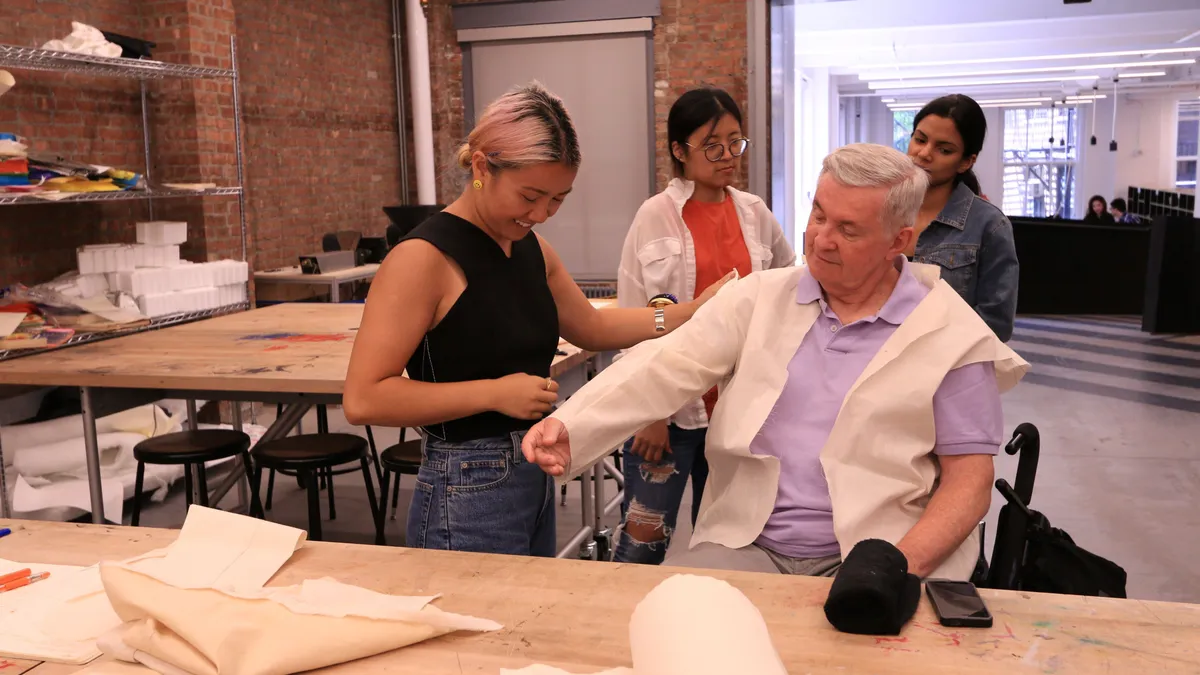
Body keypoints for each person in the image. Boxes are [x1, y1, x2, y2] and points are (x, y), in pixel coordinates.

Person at [522, 143, 1030, 581]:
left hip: (881, 552)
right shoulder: (760, 297)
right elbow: (663, 366)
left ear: (900, 240)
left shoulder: (947, 330)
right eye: (818, 214)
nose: (821, 238)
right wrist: (573, 425)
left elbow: (970, 479)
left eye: (848, 230)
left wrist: (900, 568)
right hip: (748, 544)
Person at [343, 82, 733, 558]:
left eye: (557, 199)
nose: (541, 214)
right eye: (530, 195)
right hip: (465, 483)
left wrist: (689, 314)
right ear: (484, 166)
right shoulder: (423, 259)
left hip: (531, 464)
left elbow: (590, 327)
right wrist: (494, 393)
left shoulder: (528, 247)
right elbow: (364, 398)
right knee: (480, 629)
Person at [612, 87, 795, 565]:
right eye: (712, 144)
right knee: (642, 545)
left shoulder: (754, 213)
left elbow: (788, 286)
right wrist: (652, 412)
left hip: (739, 411)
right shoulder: (655, 216)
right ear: (679, 150)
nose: (728, 156)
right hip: (672, 416)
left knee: (732, 543)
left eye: (736, 142)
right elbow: (636, 316)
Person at [906, 94, 1019, 342]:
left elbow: (996, 323)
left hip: (946, 366)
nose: (924, 154)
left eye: (944, 150)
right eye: (920, 139)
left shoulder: (990, 226)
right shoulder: (882, 207)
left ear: (966, 162)